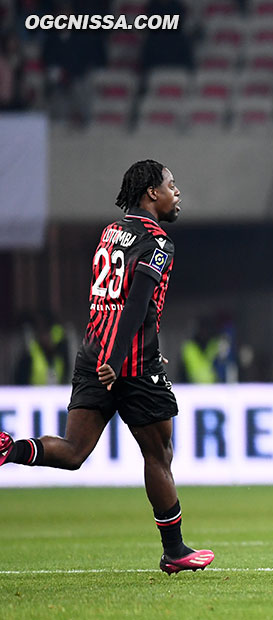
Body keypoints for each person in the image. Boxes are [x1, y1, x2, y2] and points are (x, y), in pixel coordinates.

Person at [0, 160, 213, 575]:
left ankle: (9, 449)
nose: (177, 192)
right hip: (128, 364)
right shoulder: (158, 241)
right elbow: (135, 301)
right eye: (172, 185)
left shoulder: (110, 231)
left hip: (94, 349)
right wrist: (120, 359)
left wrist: (113, 352)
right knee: (159, 453)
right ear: (152, 191)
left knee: (75, 451)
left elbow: (113, 301)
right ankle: (175, 551)